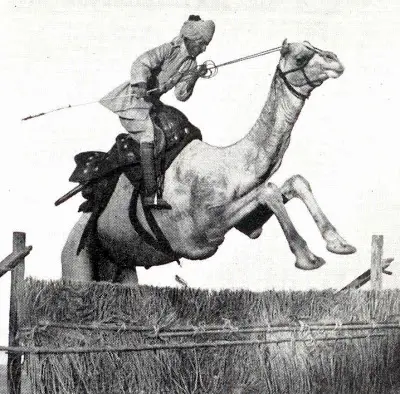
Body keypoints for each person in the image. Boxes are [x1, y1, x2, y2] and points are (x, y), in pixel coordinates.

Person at [100, 15, 215, 210]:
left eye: (206, 45)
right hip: (133, 102)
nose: (204, 49)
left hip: (152, 104)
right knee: (149, 136)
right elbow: (141, 62)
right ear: (192, 40)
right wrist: (141, 84)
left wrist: (195, 76)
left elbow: (181, 95)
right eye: (202, 44)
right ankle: (150, 193)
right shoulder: (169, 49)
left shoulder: (191, 65)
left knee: (180, 129)